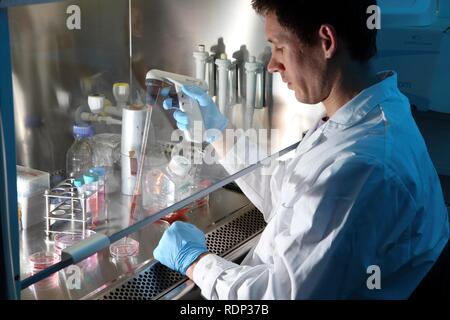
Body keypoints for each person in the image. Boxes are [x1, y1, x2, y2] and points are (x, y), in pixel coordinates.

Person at [153, 0, 450, 299]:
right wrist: (218, 132)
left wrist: (194, 261)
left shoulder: (361, 165)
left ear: (326, 41)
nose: (272, 64)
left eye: (279, 47)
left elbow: (275, 298)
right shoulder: (362, 116)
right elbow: (287, 193)